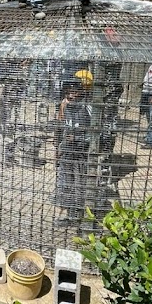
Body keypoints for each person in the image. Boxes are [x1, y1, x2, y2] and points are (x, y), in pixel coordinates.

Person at [54, 72, 93, 227]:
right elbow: (60, 126)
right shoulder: (65, 104)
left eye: (75, 91)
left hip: (82, 153)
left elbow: (95, 133)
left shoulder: (87, 106)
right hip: (68, 152)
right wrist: (58, 147)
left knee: (80, 185)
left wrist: (77, 138)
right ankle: (70, 216)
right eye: (69, 91)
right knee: (66, 183)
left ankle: (80, 216)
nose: (72, 94)